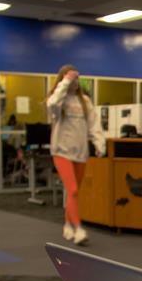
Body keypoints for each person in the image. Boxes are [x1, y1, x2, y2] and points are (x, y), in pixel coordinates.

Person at [46, 64, 105, 245]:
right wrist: (65, 82)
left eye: (76, 78)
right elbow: (52, 103)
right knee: (72, 190)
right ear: (63, 79)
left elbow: (94, 125)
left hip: (80, 152)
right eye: (71, 78)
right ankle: (78, 229)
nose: (75, 81)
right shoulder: (58, 101)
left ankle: (67, 225)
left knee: (74, 193)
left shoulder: (85, 101)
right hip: (61, 151)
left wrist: (99, 143)